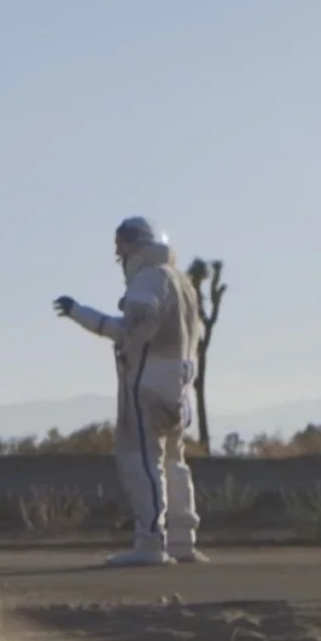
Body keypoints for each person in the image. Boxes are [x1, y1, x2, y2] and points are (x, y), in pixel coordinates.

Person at [50, 216, 207, 567]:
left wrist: (82, 315)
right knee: (174, 462)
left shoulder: (149, 279)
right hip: (181, 385)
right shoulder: (182, 282)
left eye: (122, 249)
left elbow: (133, 328)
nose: (119, 256)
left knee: (141, 459)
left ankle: (150, 541)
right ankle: (183, 541)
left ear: (135, 247)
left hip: (147, 379)